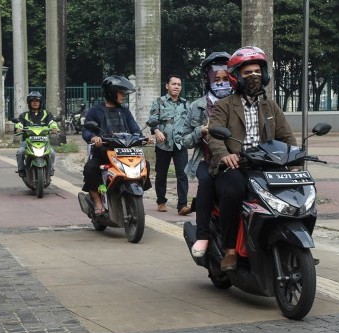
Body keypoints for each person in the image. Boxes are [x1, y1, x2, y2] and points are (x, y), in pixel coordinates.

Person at [208, 46, 296, 271]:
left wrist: (296, 161)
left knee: (292, 192)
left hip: (266, 165)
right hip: (235, 166)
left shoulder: (271, 106)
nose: (254, 76)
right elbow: (214, 135)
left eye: (258, 71)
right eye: (248, 73)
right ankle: (229, 250)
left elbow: (286, 136)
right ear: (236, 76)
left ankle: (291, 243)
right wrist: (225, 156)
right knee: (234, 191)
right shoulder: (224, 105)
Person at [82, 76, 154, 215]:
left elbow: (135, 129)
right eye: (121, 93)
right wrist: (93, 137)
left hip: (124, 152)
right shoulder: (95, 111)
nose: (124, 96)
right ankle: (97, 201)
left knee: (146, 165)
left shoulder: (125, 111)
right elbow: (86, 130)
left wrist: (145, 137)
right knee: (90, 169)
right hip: (103, 152)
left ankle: (135, 197)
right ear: (111, 92)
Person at [183, 52, 232, 257]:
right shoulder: (197, 106)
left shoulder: (238, 102)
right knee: (206, 185)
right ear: (208, 79)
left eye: (225, 79)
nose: (221, 84)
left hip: (238, 159)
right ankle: (202, 235)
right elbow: (183, 140)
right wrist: (199, 131)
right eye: (216, 80)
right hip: (207, 160)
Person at [148, 74, 191, 215]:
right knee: (161, 174)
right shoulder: (159, 102)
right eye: (173, 84)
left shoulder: (186, 104)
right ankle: (161, 201)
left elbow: (190, 124)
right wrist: (156, 131)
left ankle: (182, 206)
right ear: (167, 86)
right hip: (163, 144)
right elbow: (152, 120)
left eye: (179, 84)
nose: (176, 87)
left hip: (180, 145)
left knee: (182, 175)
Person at [15, 91, 59, 177]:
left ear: (40, 102)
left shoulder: (47, 114)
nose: (35, 103)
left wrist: (54, 128)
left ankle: (50, 169)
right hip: (28, 141)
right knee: (20, 152)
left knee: (52, 153)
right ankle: (21, 169)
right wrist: (19, 128)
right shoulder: (24, 115)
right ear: (29, 103)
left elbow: (52, 122)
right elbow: (19, 123)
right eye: (33, 101)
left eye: (37, 101)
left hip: (44, 140)